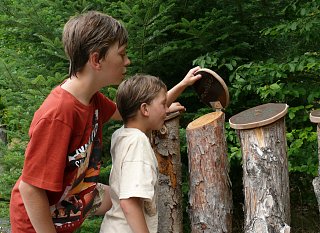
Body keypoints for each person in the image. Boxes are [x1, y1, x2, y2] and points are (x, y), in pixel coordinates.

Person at [9, 10, 201, 233]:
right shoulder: (59, 114)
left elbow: (132, 112)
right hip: (35, 224)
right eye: (121, 54)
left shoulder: (93, 99)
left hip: (67, 204)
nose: (127, 61)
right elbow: (30, 189)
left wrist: (168, 101)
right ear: (96, 59)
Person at [99, 75, 168, 233]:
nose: (166, 109)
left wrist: (162, 113)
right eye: (163, 104)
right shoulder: (138, 142)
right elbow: (129, 203)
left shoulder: (122, 134)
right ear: (144, 109)